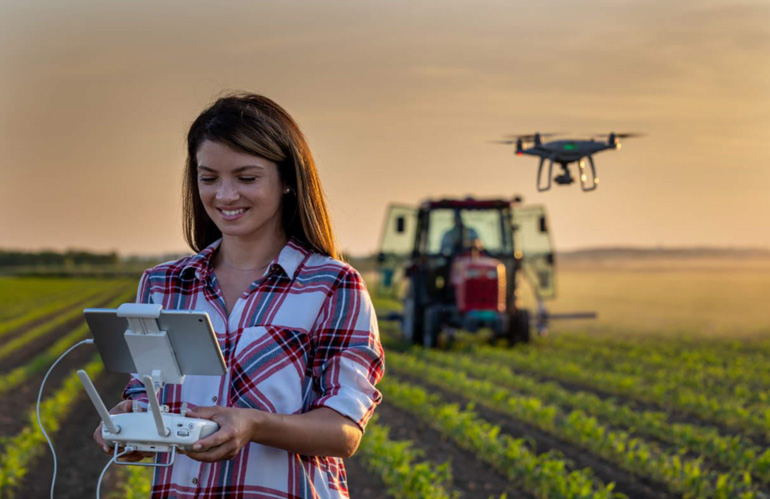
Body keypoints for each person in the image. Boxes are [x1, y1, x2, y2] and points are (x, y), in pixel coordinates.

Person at [92, 93, 385, 499]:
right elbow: (148, 399)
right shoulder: (163, 284)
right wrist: (131, 426)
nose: (225, 196)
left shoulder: (332, 285)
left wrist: (255, 425)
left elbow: (343, 432)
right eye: (208, 178)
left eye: (246, 178)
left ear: (287, 180)